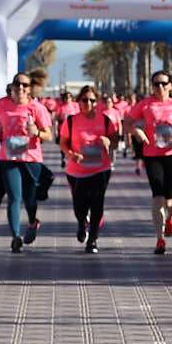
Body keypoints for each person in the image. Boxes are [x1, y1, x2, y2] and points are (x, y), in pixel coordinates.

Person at [127, 70, 172, 256]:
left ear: (170, 85)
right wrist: (137, 132)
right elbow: (127, 122)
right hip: (152, 154)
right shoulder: (145, 104)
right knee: (157, 195)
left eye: (164, 83)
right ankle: (160, 239)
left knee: (169, 199)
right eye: (156, 84)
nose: (160, 87)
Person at [0, 73, 51, 253]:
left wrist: (36, 132)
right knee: (14, 198)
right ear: (12, 86)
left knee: (30, 199)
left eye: (25, 85)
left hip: (31, 158)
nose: (21, 87)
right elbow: (1, 122)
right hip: (9, 157)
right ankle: (15, 237)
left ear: (30, 89)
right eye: (18, 83)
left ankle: (32, 222)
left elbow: (49, 135)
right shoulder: (1, 104)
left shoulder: (37, 108)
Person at [59, 84, 120, 252]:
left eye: (92, 100)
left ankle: (92, 239)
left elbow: (115, 140)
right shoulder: (71, 121)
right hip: (77, 171)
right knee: (79, 206)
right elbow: (63, 142)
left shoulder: (105, 120)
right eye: (85, 100)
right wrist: (70, 154)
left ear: (97, 102)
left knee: (97, 203)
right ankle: (81, 222)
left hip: (100, 169)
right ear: (79, 101)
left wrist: (109, 142)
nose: (88, 104)